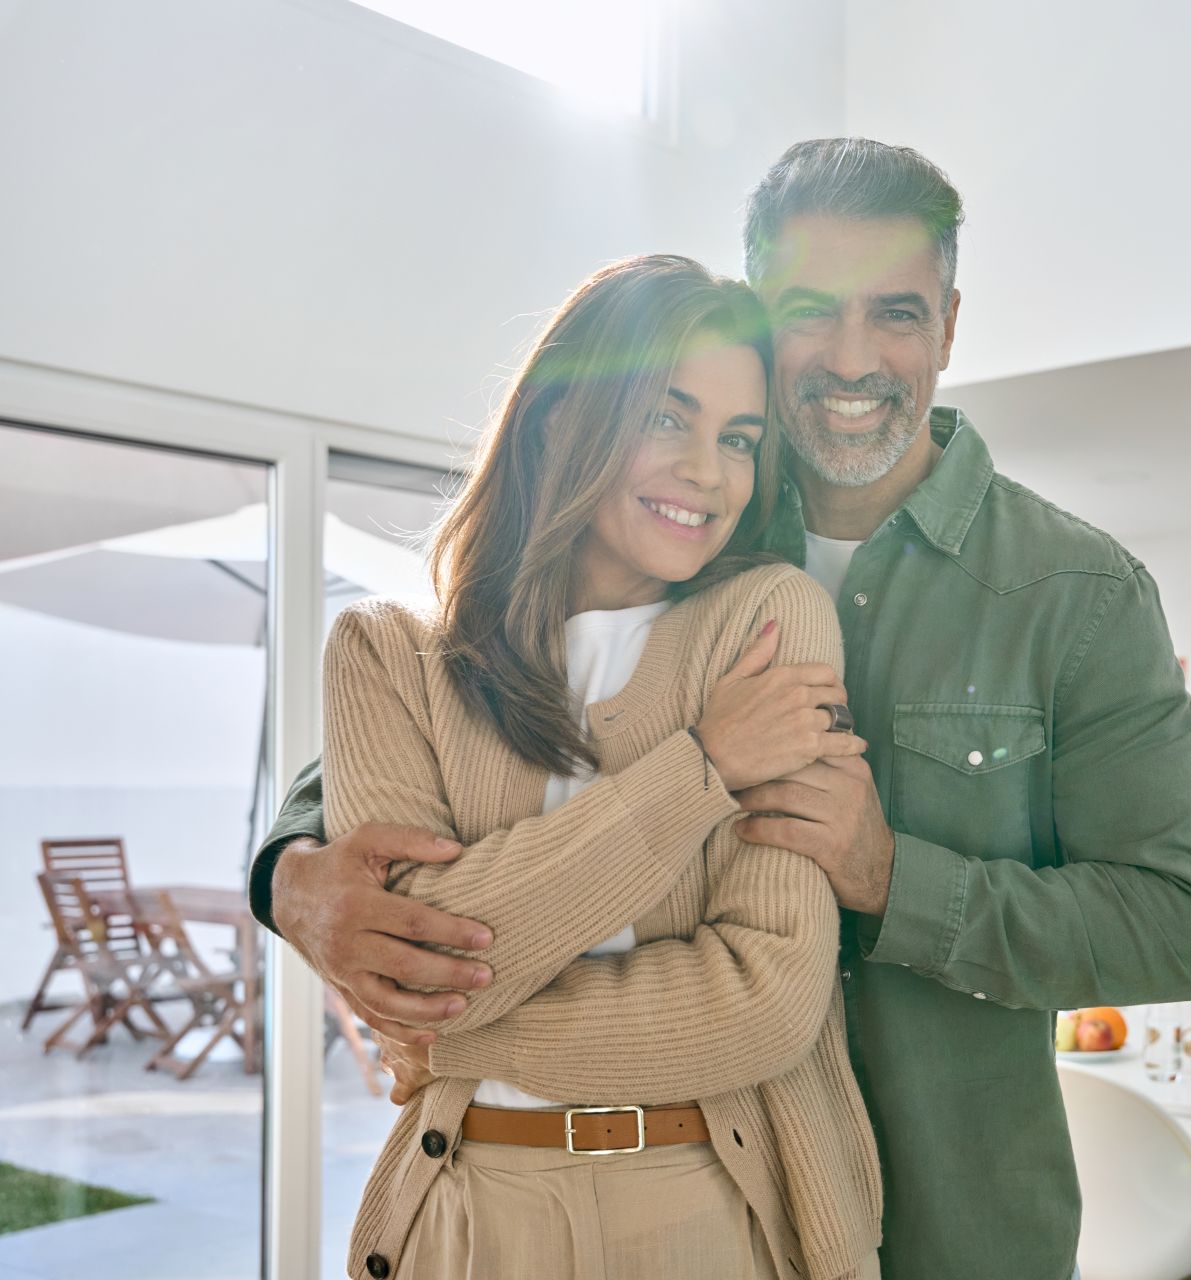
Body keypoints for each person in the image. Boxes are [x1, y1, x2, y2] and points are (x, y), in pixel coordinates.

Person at [255, 141, 1191, 1280]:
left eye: (899, 314)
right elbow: (426, 738)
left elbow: (1178, 924)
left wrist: (892, 876)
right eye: (811, 311)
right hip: (707, 1207)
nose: (854, 358)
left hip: (962, 1227)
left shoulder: (1074, 592)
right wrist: (283, 873)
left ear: (951, 328)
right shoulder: (678, 521)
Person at [316, 254, 882, 1280]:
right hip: (469, 1216)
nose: (710, 473)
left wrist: (455, 1041)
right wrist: (703, 767)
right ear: (554, 420)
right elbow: (413, 951)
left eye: (738, 439)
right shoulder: (385, 655)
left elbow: (763, 999)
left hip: (709, 1202)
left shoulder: (769, 621)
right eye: (667, 417)